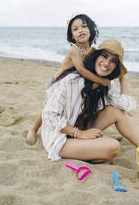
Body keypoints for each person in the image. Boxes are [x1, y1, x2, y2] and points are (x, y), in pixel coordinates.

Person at [41, 39, 139, 162]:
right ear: (96, 57)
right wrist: (79, 134)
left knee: (117, 111)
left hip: (81, 127)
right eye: (104, 56)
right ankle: (84, 150)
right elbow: (48, 116)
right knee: (113, 147)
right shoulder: (73, 81)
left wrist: (123, 76)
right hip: (60, 136)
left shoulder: (106, 84)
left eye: (113, 61)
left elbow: (126, 105)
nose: (107, 63)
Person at [26, 14, 110, 145]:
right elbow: (82, 70)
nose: (80, 30)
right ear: (72, 36)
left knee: (63, 109)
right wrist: (101, 81)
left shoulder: (91, 50)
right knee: (48, 108)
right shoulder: (74, 50)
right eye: (75, 29)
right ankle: (33, 129)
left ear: (91, 29)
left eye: (84, 26)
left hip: (70, 83)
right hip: (57, 81)